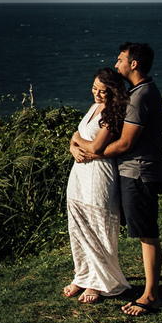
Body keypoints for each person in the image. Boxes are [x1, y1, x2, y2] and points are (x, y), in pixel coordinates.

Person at [72, 42, 162, 317]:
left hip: (139, 172)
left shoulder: (140, 96)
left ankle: (150, 296)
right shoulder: (140, 92)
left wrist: (92, 152)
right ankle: (146, 291)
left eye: (121, 59)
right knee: (141, 230)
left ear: (133, 64)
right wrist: (83, 145)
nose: (117, 64)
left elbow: (124, 144)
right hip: (133, 171)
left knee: (146, 233)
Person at [63, 67, 132, 304]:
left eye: (103, 91)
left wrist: (78, 142)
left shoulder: (114, 113)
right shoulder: (94, 108)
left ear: (113, 92)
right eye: (94, 89)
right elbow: (77, 136)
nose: (97, 94)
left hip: (99, 175)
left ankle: (99, 282)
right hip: (79, 174)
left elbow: (94, 147)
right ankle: (82, 275)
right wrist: (73, 147)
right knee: (78, 226)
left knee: (98, 227)